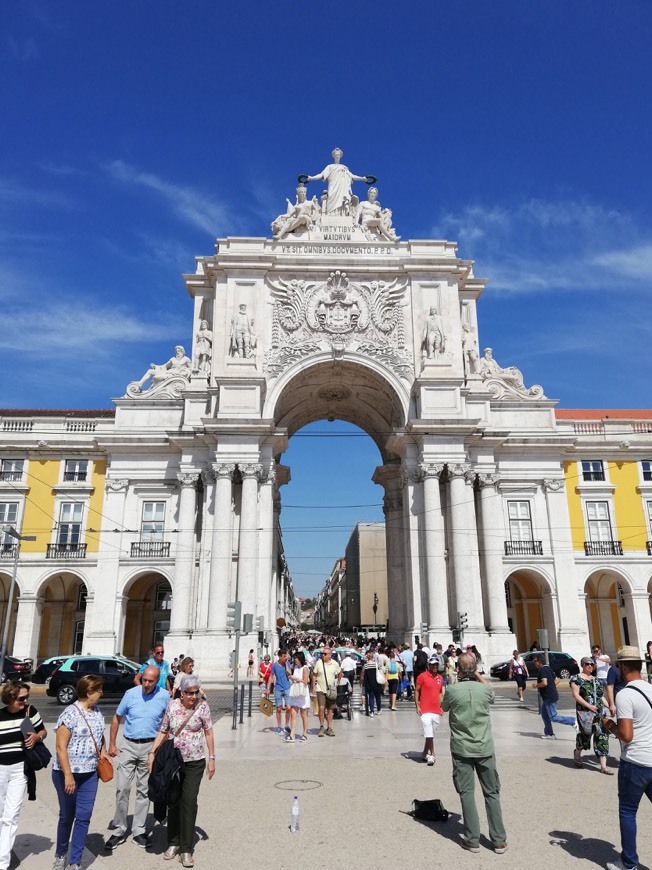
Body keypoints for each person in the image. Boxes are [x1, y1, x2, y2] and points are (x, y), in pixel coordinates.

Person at [441, 653, 507, 854]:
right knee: (492, 793)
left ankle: (472, 839)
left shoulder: (452, 690)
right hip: (485, 748)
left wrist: (455, 680)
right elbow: (490, 692)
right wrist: (477, 674)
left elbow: (443, 708)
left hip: (462, 749)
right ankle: (499, 840)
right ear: (476, 668)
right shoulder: (485, 690)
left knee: (467, 793)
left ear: (458, 669)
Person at [147, 676, 214, 868]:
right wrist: (152, 752)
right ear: (182, 693)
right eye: (189, 693)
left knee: (189, 801)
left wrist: (212, 759)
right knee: (174, 800)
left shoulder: (202, 707)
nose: (193, 696)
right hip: (173, 760)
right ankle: (174, 842)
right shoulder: (172, 706)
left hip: (195, 761)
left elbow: (209, 732)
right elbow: (163, 730)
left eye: (196, 692)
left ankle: (186, 848)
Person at [104, 664, 170, 851]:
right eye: (144, 680)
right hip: (129, 745)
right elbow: (117, 717)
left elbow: (168, 724)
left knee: (144, 790)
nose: (146, 684)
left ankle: (139, 830)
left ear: (158, 681)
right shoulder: (131, 694)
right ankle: (118, 829)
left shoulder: (164, 696)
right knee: (122, 788)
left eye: (150, 681)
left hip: (150, 747)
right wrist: (112, 743)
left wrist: (161, 749)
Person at [52, 675, 110, 870]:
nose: (101, 693)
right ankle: (61, 854)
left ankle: (75, 861)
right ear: (88, 692)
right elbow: (60, 747)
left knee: (84, 816)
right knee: (67, 816)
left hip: (90, 774)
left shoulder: (97, 711)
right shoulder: (70, 713)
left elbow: (99, 736)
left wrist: (103, 752)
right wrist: (68, 774)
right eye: (99, 690)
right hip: (67, 773)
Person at [603, 646, 652, 870]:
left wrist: (609, 725)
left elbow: (626, 735)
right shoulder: (651, 689)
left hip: (635, 763)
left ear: (622, 667)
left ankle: (629, 864)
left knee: (628, 811)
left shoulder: (625, 694)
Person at [0, 681, 46, 870]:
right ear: (10, 697)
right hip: (0, 769)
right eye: (21, 698)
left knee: (11, 816)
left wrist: (37, 737)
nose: (25, 700)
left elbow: (43, 730)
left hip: (20, 769)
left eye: (27, 697)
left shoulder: (30, 711)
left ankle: (2, 862)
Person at [570, 657, 612, 774]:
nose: (590, 666)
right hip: (585, 712)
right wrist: (589, 706)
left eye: (592, 664)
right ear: (582, 665)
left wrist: (609, 706)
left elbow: (600, 696)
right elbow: (576, 695)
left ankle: (603, 766)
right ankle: (577, 753)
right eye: (587, 664)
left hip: (599, 712)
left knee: (602, 736)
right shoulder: (576, 679)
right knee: (585, 736)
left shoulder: (596, 680)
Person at [306, 147, 369, 215]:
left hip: (342, 188)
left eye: (338, 154)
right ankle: (330, 215)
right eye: (336, 154)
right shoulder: (330, 167)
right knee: (331, 198)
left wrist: (362, 178)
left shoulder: (344, 167)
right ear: (333, 155)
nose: (337, 155)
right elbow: (321, 175)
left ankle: (342, 215)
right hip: (333, 186)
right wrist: (311, 178)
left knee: (342, 200)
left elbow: (352, 176)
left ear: (340, 156)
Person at [532, 654, 575, 738]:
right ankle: (549, 733)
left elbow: (544, 683)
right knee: (545, 715)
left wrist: (536, 685)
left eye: (535, 661)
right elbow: (557, 680)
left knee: (553, 717)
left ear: (540, 662)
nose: (534, 663)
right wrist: (551, 687)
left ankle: (573, 721)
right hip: (550, 696)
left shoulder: (543, 670)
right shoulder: (548, 668)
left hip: (549, 697)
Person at [415, 656, 445, 766]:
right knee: (429, 732)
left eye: (436, 664)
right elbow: (417, 691)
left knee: (432, 733)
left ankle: (424, 752)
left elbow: (440, 692)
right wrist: (417, 706)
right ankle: (432, 754)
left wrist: (441, 705)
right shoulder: (422, 676)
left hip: (436, 709)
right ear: (429, 665)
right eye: (433, 664)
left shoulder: (440, 678)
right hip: (425, 709)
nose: (435, 666)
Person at [311, 647, 341, 737]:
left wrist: (338, 682)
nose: (322, 655)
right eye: (322, 654)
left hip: (330, 690)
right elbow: (314, 675)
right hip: (320, 689)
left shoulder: (334, 664)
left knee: (330, 709)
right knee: (321, 708)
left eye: (324, 654)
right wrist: (313, 686)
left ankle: (329, 728)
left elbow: (340, 672)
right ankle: (321, 726)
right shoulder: (319, 663)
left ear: (329, 655)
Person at [285, 652, 310, 742]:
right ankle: (292, 734)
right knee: (293, 713)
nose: (294, 659)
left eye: (296, 658)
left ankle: (304, 734)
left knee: (303, 714)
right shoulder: (295, 667)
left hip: (302, 693)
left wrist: (295, 679)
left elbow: (305, 681)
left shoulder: (305, 668)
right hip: (296, 692)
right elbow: (288, 671)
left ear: (300, 658)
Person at [268, 651, 292, 736]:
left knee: (288, 707)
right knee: (278, 708)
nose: (286, 658)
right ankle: (279, 726)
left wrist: (286, 665)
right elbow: (271, 676)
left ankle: (286, 725)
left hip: (287, 687)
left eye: (286, 656)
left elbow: (290, 673)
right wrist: (268, 688)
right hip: (278, 688)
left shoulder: (287, 663)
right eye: (284, 656)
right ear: (279, 656)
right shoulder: (274, 665)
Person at [361, 650, 382, 719]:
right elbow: (380, 671)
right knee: (378, 697)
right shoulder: (376, 664)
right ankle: (379, 709)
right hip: (377, 683)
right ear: (373, 657)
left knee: (371, 697)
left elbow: (363, 675)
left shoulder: (365, 666)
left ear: (367, 657)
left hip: (369, 683)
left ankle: (372, 711)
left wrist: (361, 682)